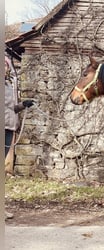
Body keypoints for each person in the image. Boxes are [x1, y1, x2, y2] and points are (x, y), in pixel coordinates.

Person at [5, 56, 34, 220]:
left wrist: (23, 105)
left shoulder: (8, 86)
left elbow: (11, 108)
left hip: (9, 128)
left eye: (5, 65)